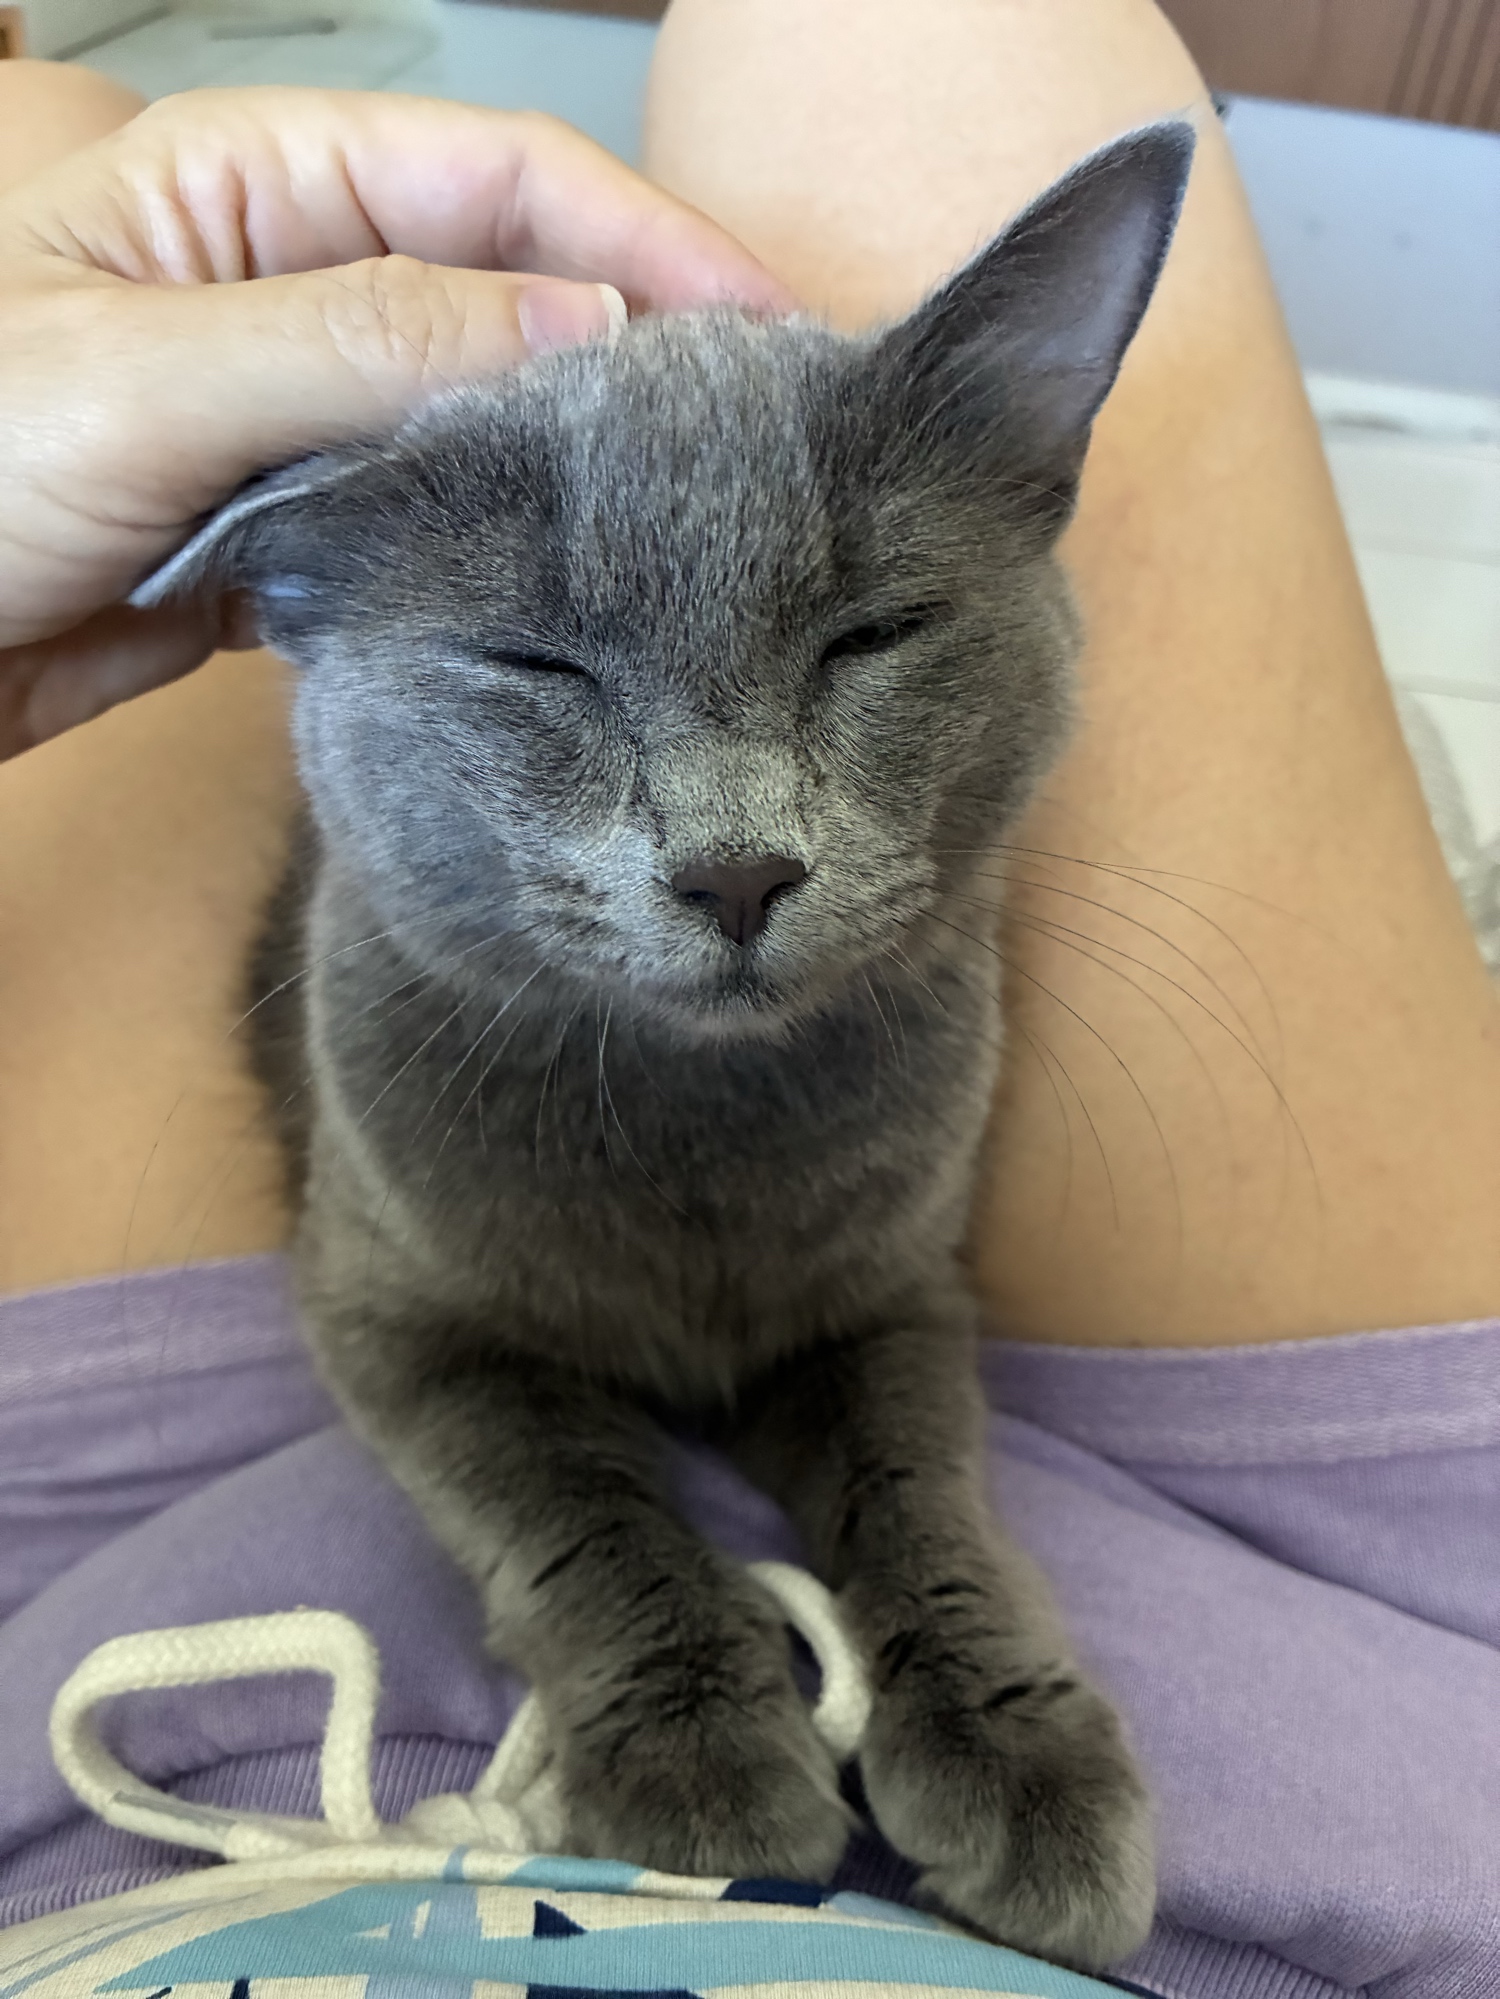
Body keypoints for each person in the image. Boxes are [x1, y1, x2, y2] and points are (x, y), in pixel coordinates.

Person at [0, 5, 1496, 1992]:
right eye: (543, 678)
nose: (736, 839)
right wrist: (619, 1612)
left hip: (110, 1626)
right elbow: (418, 1322)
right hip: (1347, 1644)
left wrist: (946, 1615)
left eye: (875, 640)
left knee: (37, 138)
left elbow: (864, 1309)